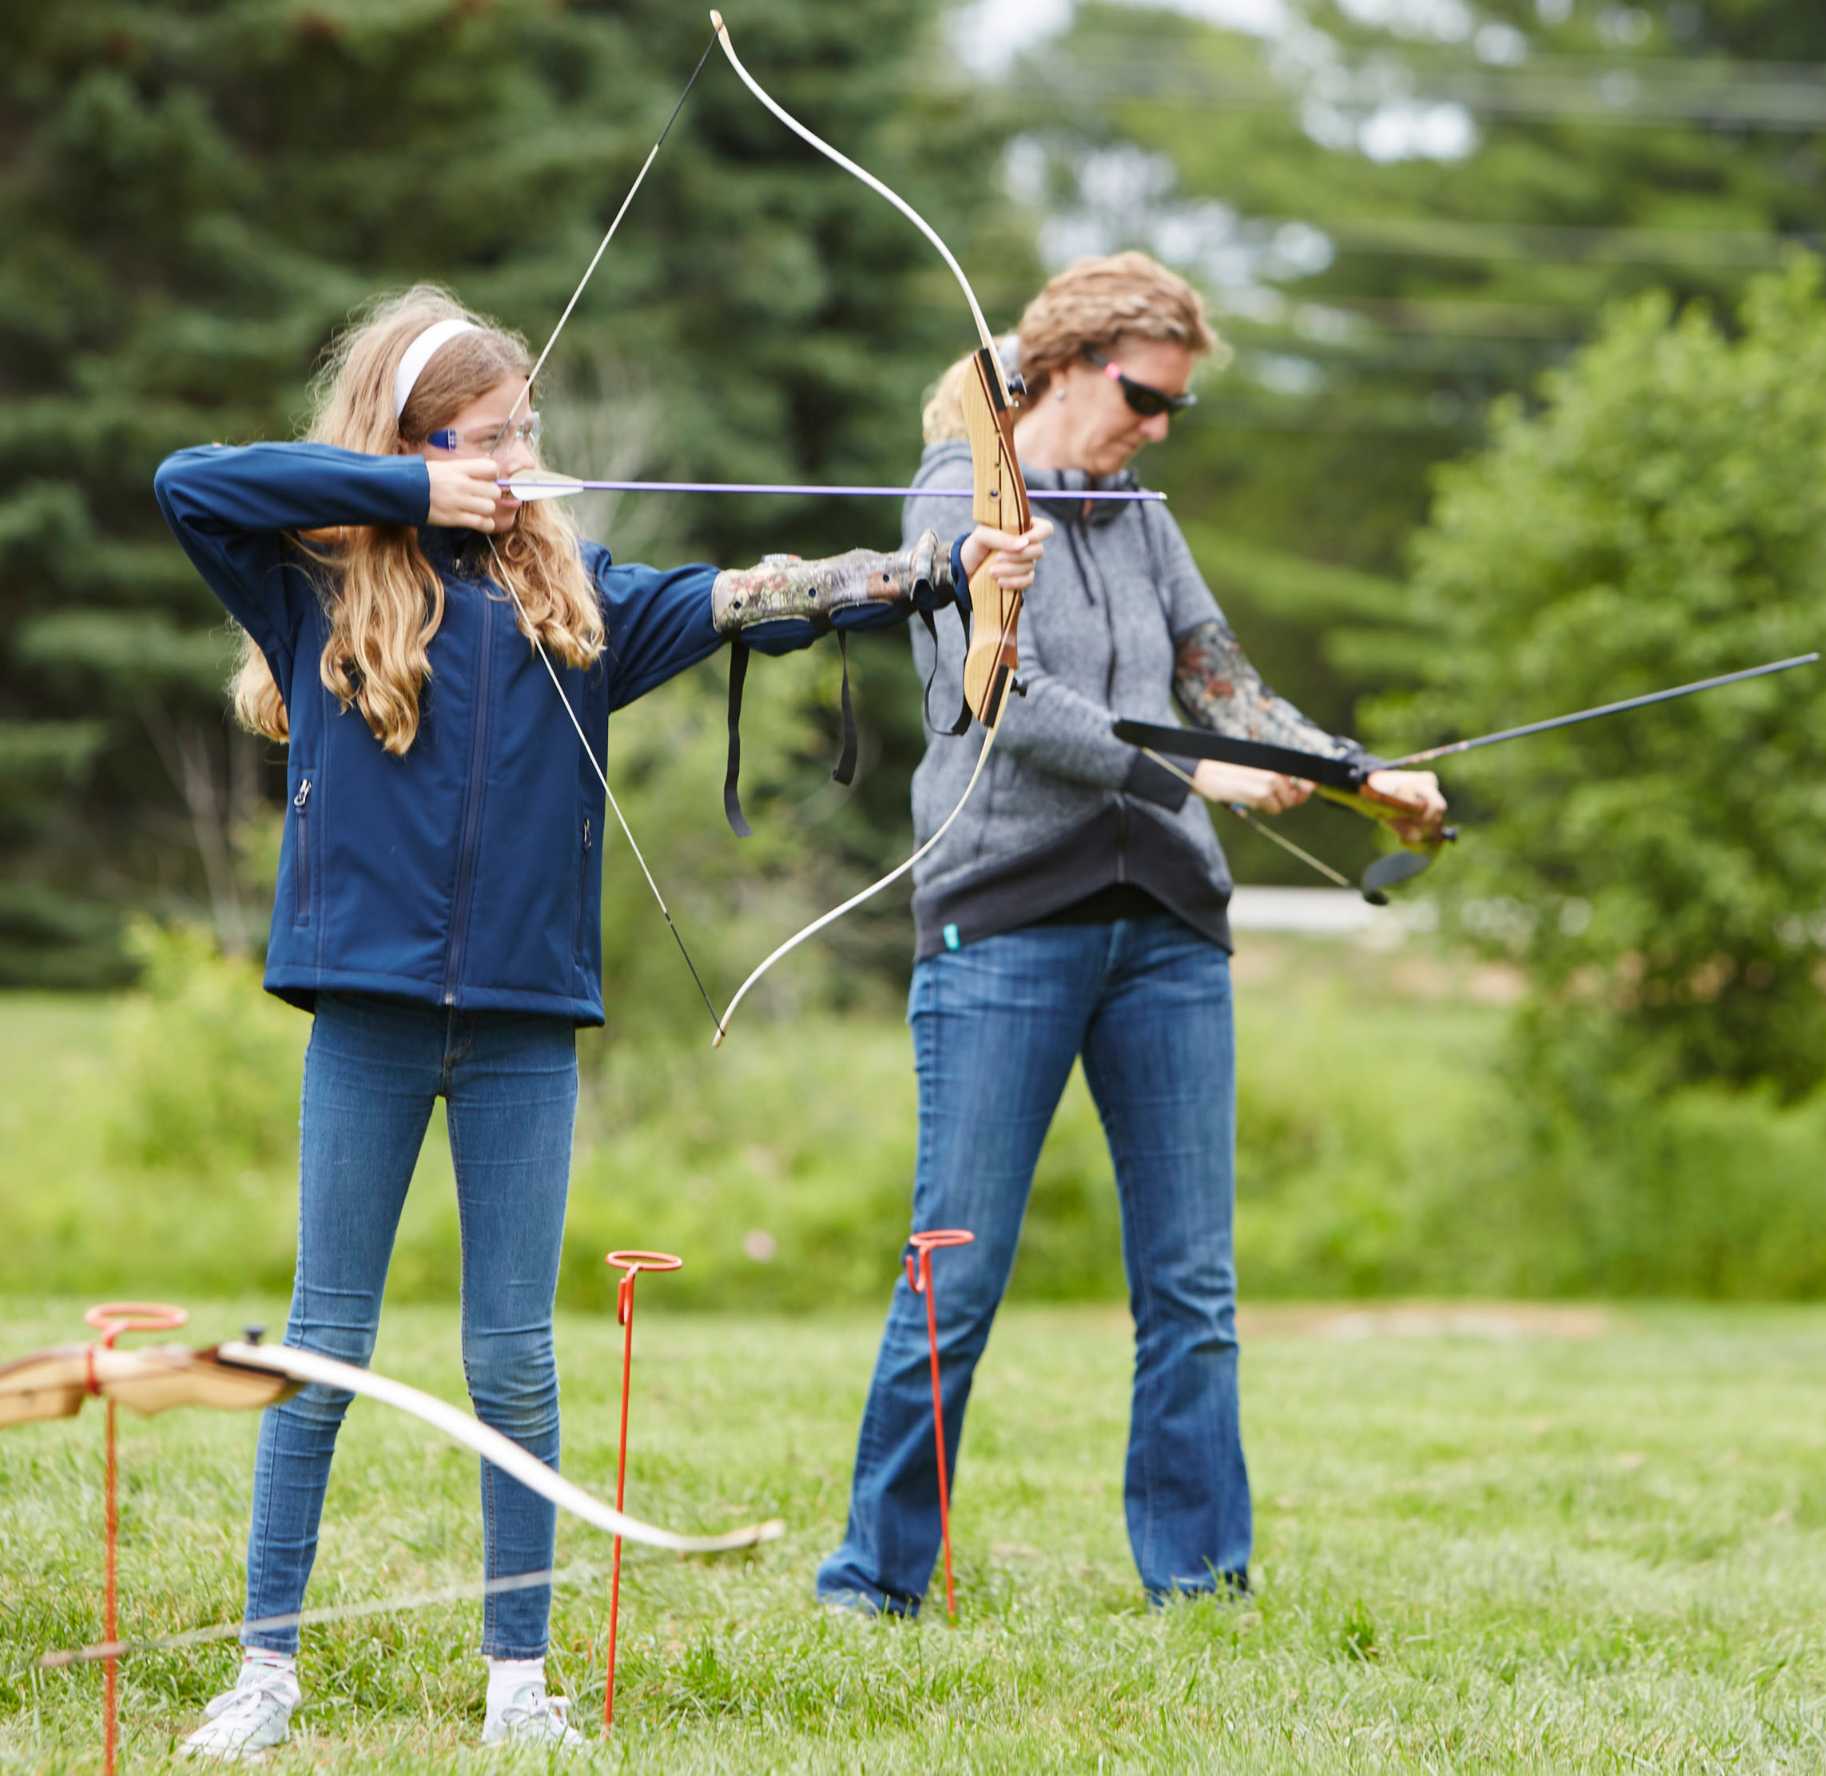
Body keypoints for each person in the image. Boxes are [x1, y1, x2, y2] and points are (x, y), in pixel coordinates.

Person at [151, 285, 1047, 1757]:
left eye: (525, 432)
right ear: (417, 442)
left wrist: (947, 564)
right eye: (485, 439)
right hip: (368, 1021)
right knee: (324, 1340)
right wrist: (408, 490)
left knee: (514, 1356)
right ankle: (263, 1669)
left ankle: (520, 1680)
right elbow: (193, 481)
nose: (519, 457)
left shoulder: (587, 607)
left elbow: (768, 591)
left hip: (521, 1028)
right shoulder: (312, 586)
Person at [814, 252, 1445, 1615]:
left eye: (1176, 410)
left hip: (1166, 927)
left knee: (1193, 1287)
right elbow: (1006, 700)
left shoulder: (1141, 512)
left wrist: (1354, 773)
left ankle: (1202, 1580)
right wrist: (1194, 775)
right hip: (1004, 920)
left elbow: (1220, 675)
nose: (1160, 428)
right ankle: (873, 1583)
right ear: (1077, 358)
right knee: (956, 1276)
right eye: (1149, 397)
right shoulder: (955, 496)